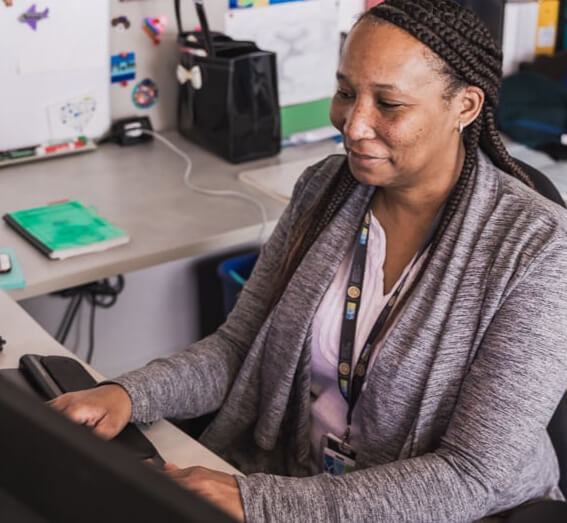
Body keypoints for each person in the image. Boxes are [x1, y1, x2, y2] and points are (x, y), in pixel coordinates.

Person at [51, 1, 567, 521]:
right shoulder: (326, 188)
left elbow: (471, 474)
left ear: (466, 106)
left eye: (389, 104)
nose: (354, 124)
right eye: (346, 92)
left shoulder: (539, 248)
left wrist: (263, 502)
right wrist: (128, 393)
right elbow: (239, 349)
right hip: (303, 483)